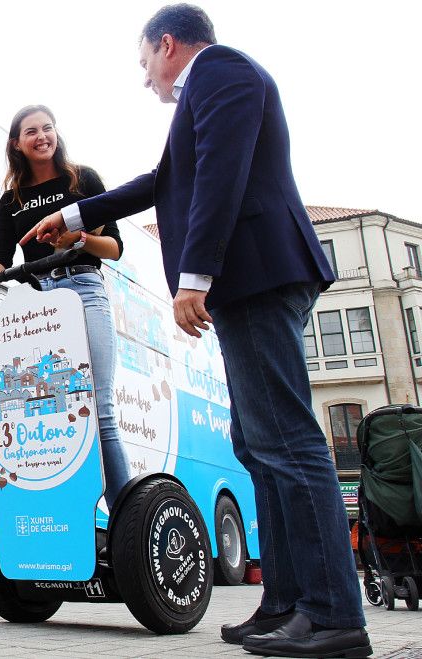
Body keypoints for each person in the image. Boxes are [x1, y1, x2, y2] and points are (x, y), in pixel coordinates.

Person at [23, 5, 370, 656]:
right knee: (259, 439)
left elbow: (221, 172)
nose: (145, 76)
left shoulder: (222, 72)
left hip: (259, 273)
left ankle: (333, 615)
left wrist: (196, 275)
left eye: (144, 60)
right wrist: (73, 214)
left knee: (287, 440)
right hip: (254, 280)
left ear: (169, 44)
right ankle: (288, 603)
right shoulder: (205, 92)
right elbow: (164, 182)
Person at [0, 105, 128, 509]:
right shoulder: (12, 201)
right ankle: (64, 514)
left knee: (99, 405)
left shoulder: (83, 179)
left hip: (84, 289)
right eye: (31, 131)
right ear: (16, 143)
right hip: (38, 304)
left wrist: (77, 242)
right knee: (49, 410)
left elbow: (114, 247)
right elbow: (1, 258)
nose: (42, 136)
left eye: (48, 128)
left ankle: (128, 515)